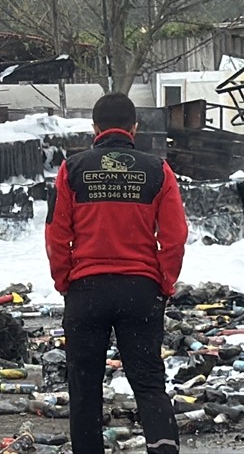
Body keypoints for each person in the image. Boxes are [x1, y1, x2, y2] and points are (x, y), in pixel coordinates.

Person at [45, 93, 188, 454]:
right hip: (140, 291)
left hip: (86, 291)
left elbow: (57, 235)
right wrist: (164, 283)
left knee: (84, 388)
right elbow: (174, 236)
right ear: (134, 128)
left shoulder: (72, 169)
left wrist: (65, 282)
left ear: (94, 129)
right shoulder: (158, 170)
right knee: (150, 384)